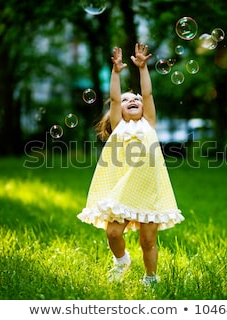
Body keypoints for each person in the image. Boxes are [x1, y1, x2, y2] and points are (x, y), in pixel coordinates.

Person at [77, 43, 184, 285]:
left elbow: (147, 94)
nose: (134, 100)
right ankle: (121, 260)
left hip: (148, 190)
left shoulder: (149, 123)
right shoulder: (119, 125)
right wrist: (116, 72)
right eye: (127, 100)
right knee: (113, 232)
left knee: (148, 240)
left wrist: (143, 68)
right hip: (122, 189)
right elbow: (114, 98)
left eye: (136, 99)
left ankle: (151, 278)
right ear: (119, 111)